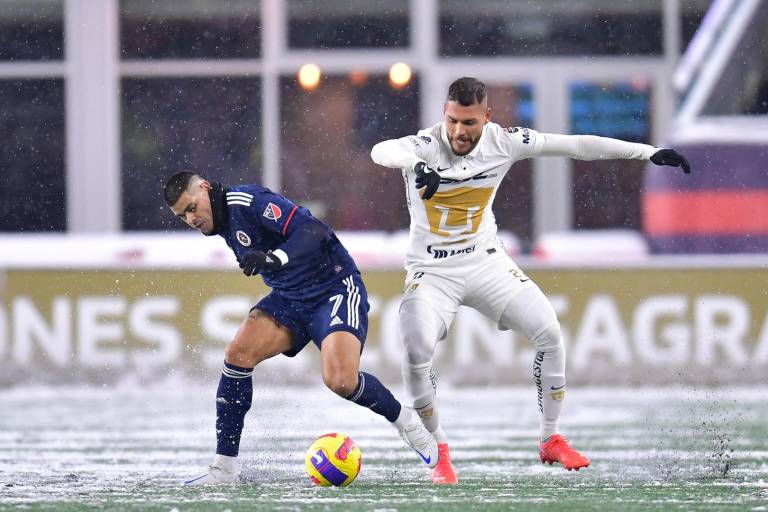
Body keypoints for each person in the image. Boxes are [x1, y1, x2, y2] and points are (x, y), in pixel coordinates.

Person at [370, 77, 691, 485]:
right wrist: (416, 166)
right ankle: (438, 451)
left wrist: (647, 152)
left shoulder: (505, 141)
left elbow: (576, 145)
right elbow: (382, 150)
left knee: (549, 331)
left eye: (468, 123)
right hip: (431, 273)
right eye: (452, 121)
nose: (458, 132)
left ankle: (550, 438)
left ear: (487, 117)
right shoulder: (426, 146)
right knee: (415, 349)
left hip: (485, 263)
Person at [163, 172, 438, 485]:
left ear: (206, 188)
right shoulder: (221, 222)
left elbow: (314, 230)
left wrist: (275, 257)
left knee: (340, 381)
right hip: (290, 300)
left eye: (192, 206)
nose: (190, 218)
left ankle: (406, 421)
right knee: (237, 354)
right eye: (182, 215)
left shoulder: (248, 201)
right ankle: (225, 469)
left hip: (333, 287)